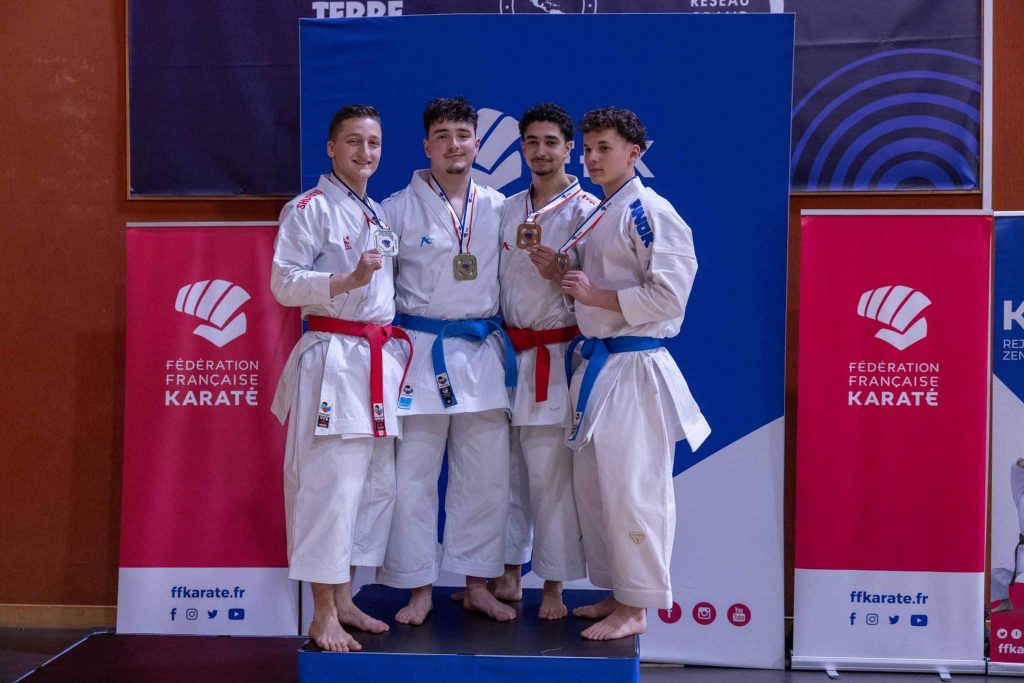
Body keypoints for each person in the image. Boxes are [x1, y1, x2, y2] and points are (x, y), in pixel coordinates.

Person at [560, 107, 711, 640]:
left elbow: (670, 295)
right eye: (588, 148)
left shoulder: (649, 210)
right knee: (599, 487)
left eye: (605, 148)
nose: (592, 158)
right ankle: (618, 591)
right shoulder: (603, 211)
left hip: (636, 365)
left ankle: (638, 605)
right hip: (601, 363)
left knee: (633, 488)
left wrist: (595, 295)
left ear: (635, 152)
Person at [270, 104, 411, 652]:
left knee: (371, 488)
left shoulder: (376, 211)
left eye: (373, 142)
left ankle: (346, 598)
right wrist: (345, 280)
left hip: (374, 360)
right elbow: (284, 284)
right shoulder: (309, 208)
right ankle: (322, 613)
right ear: (331, 149)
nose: (365, 152)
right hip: (332, 359)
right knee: (328, 488)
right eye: (353, 141)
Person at [377, 97, 518, 624]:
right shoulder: (394, 209)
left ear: (477, 143)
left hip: (481, 353)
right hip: (419, 352)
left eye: (462, 134)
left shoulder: (501, 207)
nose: (453, 144)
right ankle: (418, 587)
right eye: (442, 135)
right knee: (412, 478)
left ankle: (477, 583)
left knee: (485, 478)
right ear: (426, 146)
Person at [494, 103, 595, 619]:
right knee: (507, 474)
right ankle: (510, 573)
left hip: (555, 356)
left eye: (551, 142)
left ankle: (553, 584)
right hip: (506, 355)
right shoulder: (507, 208)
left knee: (551, 477)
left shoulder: (588, 211)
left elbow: (600, 289)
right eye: (531, 142)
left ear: (569, 148)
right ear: (521, 147)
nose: (540, 151)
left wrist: (562, 275)